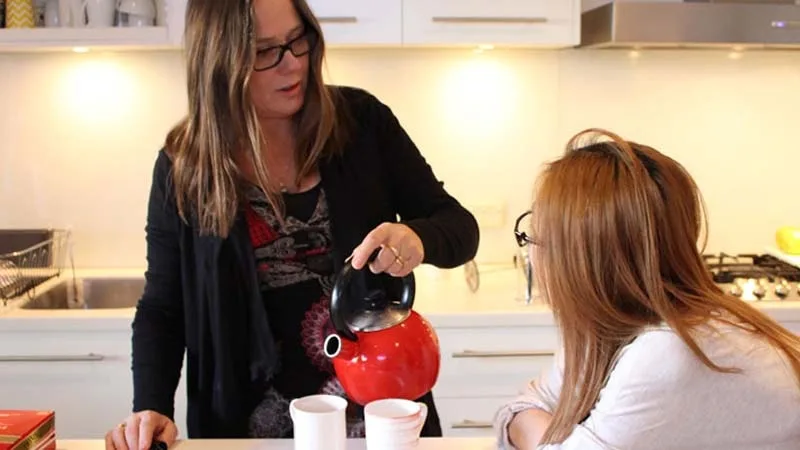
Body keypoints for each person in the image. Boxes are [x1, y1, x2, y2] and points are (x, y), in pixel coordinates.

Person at [103, 0, 479, 448]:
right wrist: (151, 407)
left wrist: (418, 238)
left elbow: (458, 227)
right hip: (247, 429)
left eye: (298, 40)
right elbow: (163, 308)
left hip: (380, 416)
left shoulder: (363, 123)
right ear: (220, 63)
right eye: (265, 51)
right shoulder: (185, 167)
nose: (293, 63)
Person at [495, 128, 800, 450]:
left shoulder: (668, 350)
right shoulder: (609, 326)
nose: (531, 252)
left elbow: (521, 418)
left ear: (579, 256)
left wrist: (541, 432)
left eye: (536, 235)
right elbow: (519, 408)